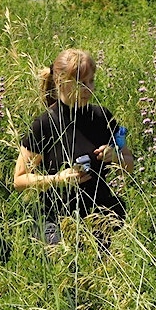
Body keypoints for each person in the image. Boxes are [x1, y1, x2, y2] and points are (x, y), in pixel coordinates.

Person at [12, 47, 135, 246]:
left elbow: (129, 164)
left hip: (101, 214)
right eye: (81, 83)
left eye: (91, 81)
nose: (89, 89)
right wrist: (58, 179)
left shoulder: (102, 117)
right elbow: (19, 179)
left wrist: (116, 158)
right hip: (57, 218)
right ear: (61, 82)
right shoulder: (45, 123)